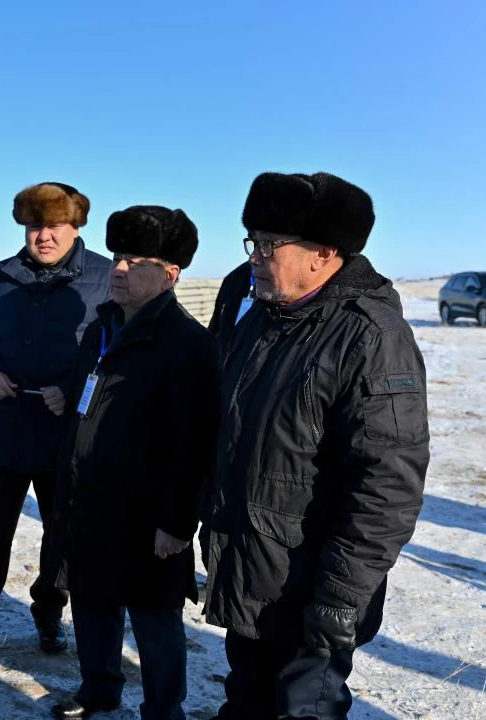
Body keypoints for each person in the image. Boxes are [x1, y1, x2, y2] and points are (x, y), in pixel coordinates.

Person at [202, 172, 429, 720]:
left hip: (313, 591)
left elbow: (387, 486)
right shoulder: (262, 319)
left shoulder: (371, 336)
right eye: (253, 241)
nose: (255, 257)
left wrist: (341, 596)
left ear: (324, 253)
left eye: (270, 244)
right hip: (252, 572)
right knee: (245, 701)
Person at [49, 205, 221, 720]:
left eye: (136, 261)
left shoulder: (188, 344)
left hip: (148, 514)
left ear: (170, 275)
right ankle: (98, 688)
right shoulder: (100, 328)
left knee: (155, 619)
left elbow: (194, 442)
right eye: (118, 257)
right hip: (90, 498)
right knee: (91, 601)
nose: (119, 269)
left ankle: (164, 709)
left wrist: (177, 522)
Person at [0, 182, 110, 655]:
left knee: (60, 534)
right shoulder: (1, 276)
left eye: (54, 225)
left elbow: (113, 349)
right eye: (35, 226)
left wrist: (73, 389)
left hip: (66, 435)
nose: (44, 236)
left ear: (75, 226)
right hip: (7, 427)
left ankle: (49, 614)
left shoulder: (103, 278)